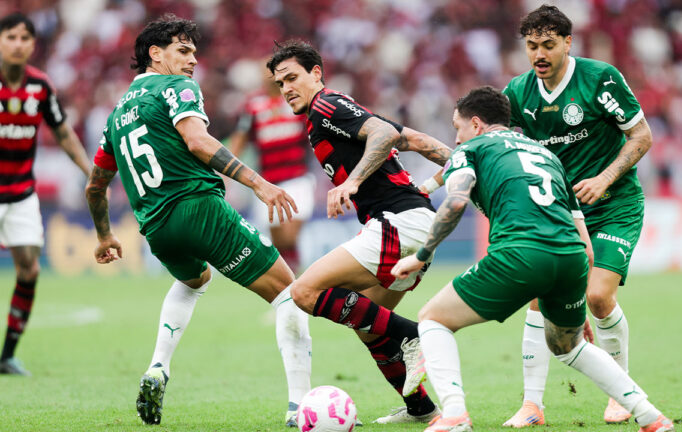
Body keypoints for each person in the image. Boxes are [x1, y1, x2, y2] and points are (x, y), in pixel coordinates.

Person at [392, 86, 674, 432]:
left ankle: (454, 414)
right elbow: (584, 239)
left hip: (519, 251)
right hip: (571, 257)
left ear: (476, 124)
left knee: (432, 318)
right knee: (568, 346)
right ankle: (650, 415)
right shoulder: (545, 154)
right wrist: (574, 296)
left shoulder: (471, 149)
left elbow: (455, 202)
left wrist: (422, 255)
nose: (457, 137)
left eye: (458, 127)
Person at [84, 15, 311, 427]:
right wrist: (259, 184)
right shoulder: (176, 87)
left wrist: (104, 236)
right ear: (155, 54)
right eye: (183, 50)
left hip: (156, 228)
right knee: (290, 294)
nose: (192, 60)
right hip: (198, 208)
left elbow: (94, 187)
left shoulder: (115, 115)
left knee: (195, 281)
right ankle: (301, 408)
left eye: (194, 52)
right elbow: (198, 140)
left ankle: (158, 366)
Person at [267, 39, 453, 424]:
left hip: (398, 222)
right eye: (279, 83)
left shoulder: (326, 106)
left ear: (316, 73)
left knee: (304, 292)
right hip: (415, 226)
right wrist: (461, 163)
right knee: (369, 325)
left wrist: (351, 182)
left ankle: (413, 335)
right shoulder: (338, 112)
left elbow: (384, 133)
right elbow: (412, 139)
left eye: (292, 78)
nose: (286, 89)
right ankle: (422, 410)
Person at [501, 5, 654, 427]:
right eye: (532, 45)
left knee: (599, 297)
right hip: (560, 214)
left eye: (549, 45)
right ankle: (532, 406)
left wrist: (604, 178)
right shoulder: (518, 93)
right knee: (538, 296)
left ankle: (620, 394)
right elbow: (497, 141)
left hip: (615, 204)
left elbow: (641, 135)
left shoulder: (599, 78)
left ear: (568, 43)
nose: (539, 54)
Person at [0, 12, 91, 376]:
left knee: (30, 268)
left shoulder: (40, 86)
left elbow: (63, 133)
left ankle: (7, 355)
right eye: (11, 37)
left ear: (33, 45)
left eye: (25, 38)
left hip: (22, 194)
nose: (18, 44)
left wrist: (91, 172)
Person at [228, 64, 314, 272]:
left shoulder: (297, 101)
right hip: (268, 183)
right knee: (279, 241)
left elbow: (313, 134)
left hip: (297, 178)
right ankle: (291, 280)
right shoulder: (253, 106)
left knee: (289, 235)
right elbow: (240, 138)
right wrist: (226, 171)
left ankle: (294, 276)